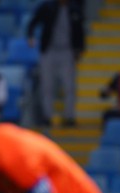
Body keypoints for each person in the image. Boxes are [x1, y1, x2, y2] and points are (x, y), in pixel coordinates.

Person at [27, 0, 85, 128]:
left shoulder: (74, 9)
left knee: (69, 85)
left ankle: (69, 116)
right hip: (49, 50)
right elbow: (33, 21)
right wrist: (30, 36)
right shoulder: (47, 7)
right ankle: (47, 116)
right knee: (47, 85)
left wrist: (79, 49)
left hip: (67, 50)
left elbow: (80, 30)